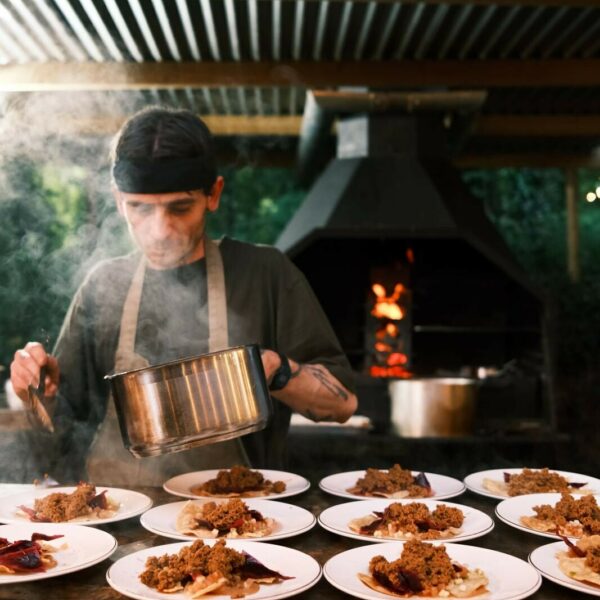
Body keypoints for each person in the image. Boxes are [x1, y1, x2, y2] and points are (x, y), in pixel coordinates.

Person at [10, 106, 357, 486]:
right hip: (116, 524)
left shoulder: (265, 274)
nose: (160, 230)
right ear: (118, 200)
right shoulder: (103, 284)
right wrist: (35, 392)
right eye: (140, 208)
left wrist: (276, 369)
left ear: (214, 195)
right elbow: (60, 429)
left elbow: (343, 405)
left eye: (180, 207)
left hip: (238, 527)